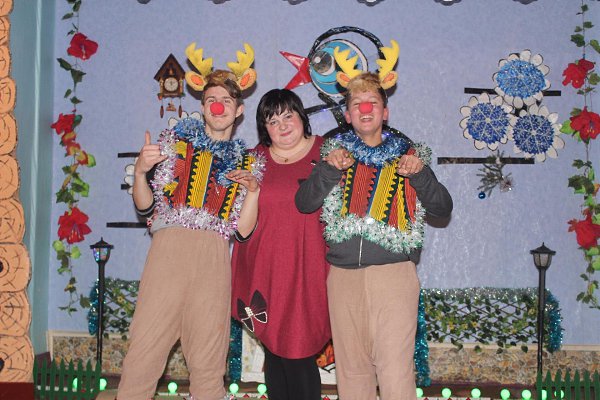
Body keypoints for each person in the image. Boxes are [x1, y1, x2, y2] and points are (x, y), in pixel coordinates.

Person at [295, 70, 453, 400]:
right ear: (348, 115)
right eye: (357, 104)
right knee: (352, 372)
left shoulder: (409, 158)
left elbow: (442, 208)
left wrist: (420, 175)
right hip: (343, 278)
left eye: (372, 102)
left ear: (385, 112)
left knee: (395, 371)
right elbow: (304, 202)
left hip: (394, 277)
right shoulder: (335, 157)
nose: (365, 109)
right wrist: (328, 170)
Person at [116, 69, 262, 400]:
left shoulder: (247, 162)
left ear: (239, 110)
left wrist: (253, 191)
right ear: (203, 106)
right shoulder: (175, 145)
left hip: (213, 261)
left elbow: (242, 231)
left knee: (210, 363)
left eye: (226, 101)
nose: (218, 106)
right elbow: (146, 207)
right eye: (211, 100)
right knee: (143, 356)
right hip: (168, 254)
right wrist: (140, 172)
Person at [231, 89, 331, 400]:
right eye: (272, 121)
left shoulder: (328, 153)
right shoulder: (254, 160)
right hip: (265, 269)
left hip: (309, 269)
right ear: (264, 128)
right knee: (274, 350)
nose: (282, 125)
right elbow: (241, 227)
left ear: (302, 117)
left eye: (288, 116)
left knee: (298, 350)